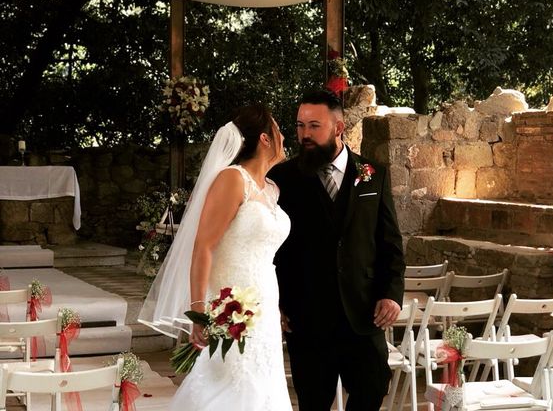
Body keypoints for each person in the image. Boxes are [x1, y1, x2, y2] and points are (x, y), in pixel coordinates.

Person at [138, 104, 292, 411]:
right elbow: (204, 246)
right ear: (264, 138)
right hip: (232, 305)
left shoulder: (272, 189)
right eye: (277, 129)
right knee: (230, 384)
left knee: (263, 385)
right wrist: (199, 312)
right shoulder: (233, 179)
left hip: (264, 304)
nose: (283, 136)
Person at [269, 90, 406, 411]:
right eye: (300, 126)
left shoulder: (375, 174)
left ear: (339, 128)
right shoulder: (282, 178)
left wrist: (391, 294)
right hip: (306, 318)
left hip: (364, 313)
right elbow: (271, 249)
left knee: (372, 391)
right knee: (313, 402)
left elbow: (390, 243)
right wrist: (275, 301)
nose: (304, 134)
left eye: (314, 126)